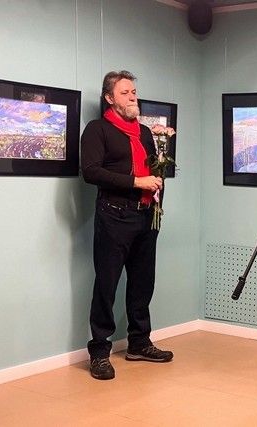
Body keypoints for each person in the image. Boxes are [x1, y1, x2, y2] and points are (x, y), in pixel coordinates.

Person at [81, 70, 173, 380]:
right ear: (109, 98)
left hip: (146, 216)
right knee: (106, 285)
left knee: (143, 283)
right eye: (125, 92)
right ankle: (99, 352)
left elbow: (154, 173)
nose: (133, 96)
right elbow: (91, 172)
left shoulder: (144, 133)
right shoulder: (98, 130)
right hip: (114, 216)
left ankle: (139, 343)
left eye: (134, 91)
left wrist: (156, 200)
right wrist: (136, 181)